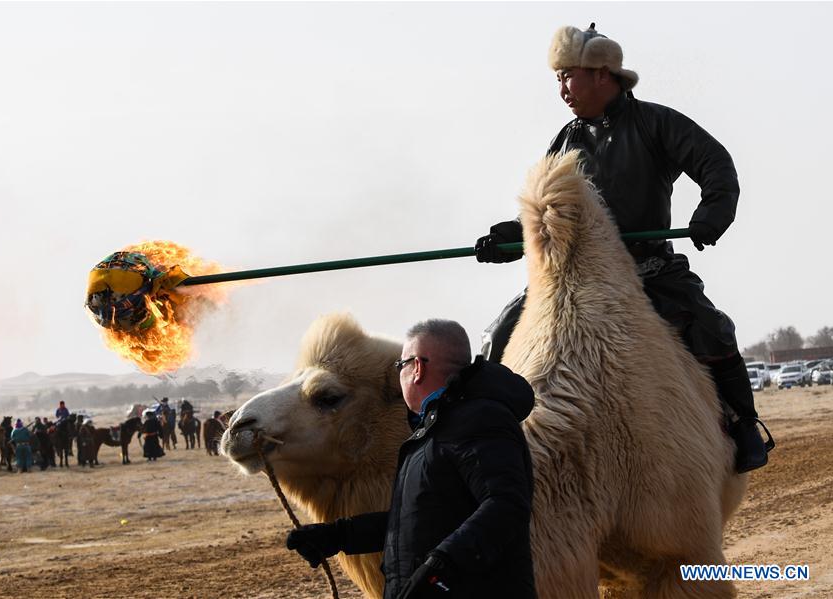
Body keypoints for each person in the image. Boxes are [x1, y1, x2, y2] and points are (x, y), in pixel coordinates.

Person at [473, 23, 772, 473]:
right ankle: (486, 433)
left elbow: (717, 166)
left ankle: (746, 425)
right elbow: (545, 212)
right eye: (557, 78)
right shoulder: (565, 141)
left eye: (567, 76)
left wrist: (712, 215)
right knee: (499, 334)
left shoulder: (657, 123)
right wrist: (511, 239)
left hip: (648, 268)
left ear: (601, 74)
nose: (561, 89)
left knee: (711, 327)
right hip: (575, 276)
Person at [286, 319, 536, 599]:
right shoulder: (434, 430)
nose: (399, 374)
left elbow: (506, 507)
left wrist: (440, 570)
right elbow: (417, 521)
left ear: (417, 368)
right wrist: (337, 536)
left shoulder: (479, 420)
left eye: (400, 366)